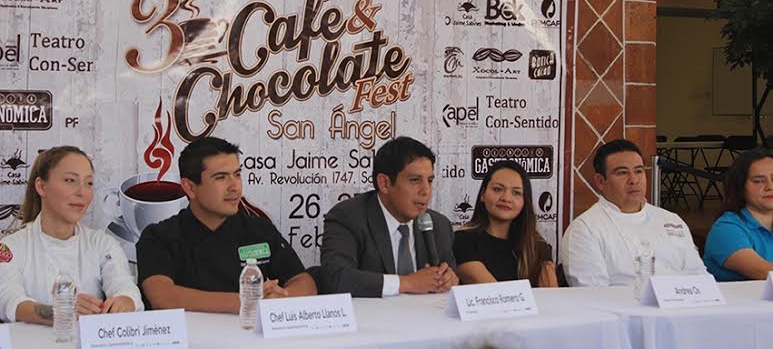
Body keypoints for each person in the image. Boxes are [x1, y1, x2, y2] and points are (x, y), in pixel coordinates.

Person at [136, 137, 317, 312]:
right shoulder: (160, 236)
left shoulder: (259, 229)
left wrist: (280, 299)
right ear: (190, 187)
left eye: (237, 175)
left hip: (250, 332)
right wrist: (248, 300)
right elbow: (162, 296)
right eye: (221, 177)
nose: (235, 187)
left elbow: (304, 282)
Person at [0, 147, 142, 324]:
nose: (82, 192)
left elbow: (124, 286)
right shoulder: (11, 247)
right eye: (70, 180)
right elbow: (8, 302)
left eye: (88, 183)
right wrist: (61, 311)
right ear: (41, 187)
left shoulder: (102, 244)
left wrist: (125, 301)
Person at [321, 136, 458, 297]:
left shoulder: (439, 225)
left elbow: (450, 279)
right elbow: (335, 279)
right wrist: (407, 283)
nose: (426, 190)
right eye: (415, 180)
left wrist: (449, 279)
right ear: (384, 183)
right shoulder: (348, 218)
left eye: (430, 180)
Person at [560, 139, 706, 286]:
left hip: (683, 299)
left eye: (638, 171)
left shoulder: (671, 220)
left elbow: (700, 277)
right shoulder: (584, 230)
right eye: (622, 173)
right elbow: (593, 293)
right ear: (600, 181)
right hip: (624, 301)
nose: (634, 180)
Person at [453, 160, 557, 286]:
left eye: (516, 193)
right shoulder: (462, 240)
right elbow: (495, 292)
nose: (506, 198)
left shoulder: (538, 246)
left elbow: (551, 294)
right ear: (482, 194)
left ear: (525, 201)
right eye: (497, 189)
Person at [703, 148, 773, 281]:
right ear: (740, 186)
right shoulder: (726, 228)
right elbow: (763, 271)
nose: (770, 186)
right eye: (758, 181)